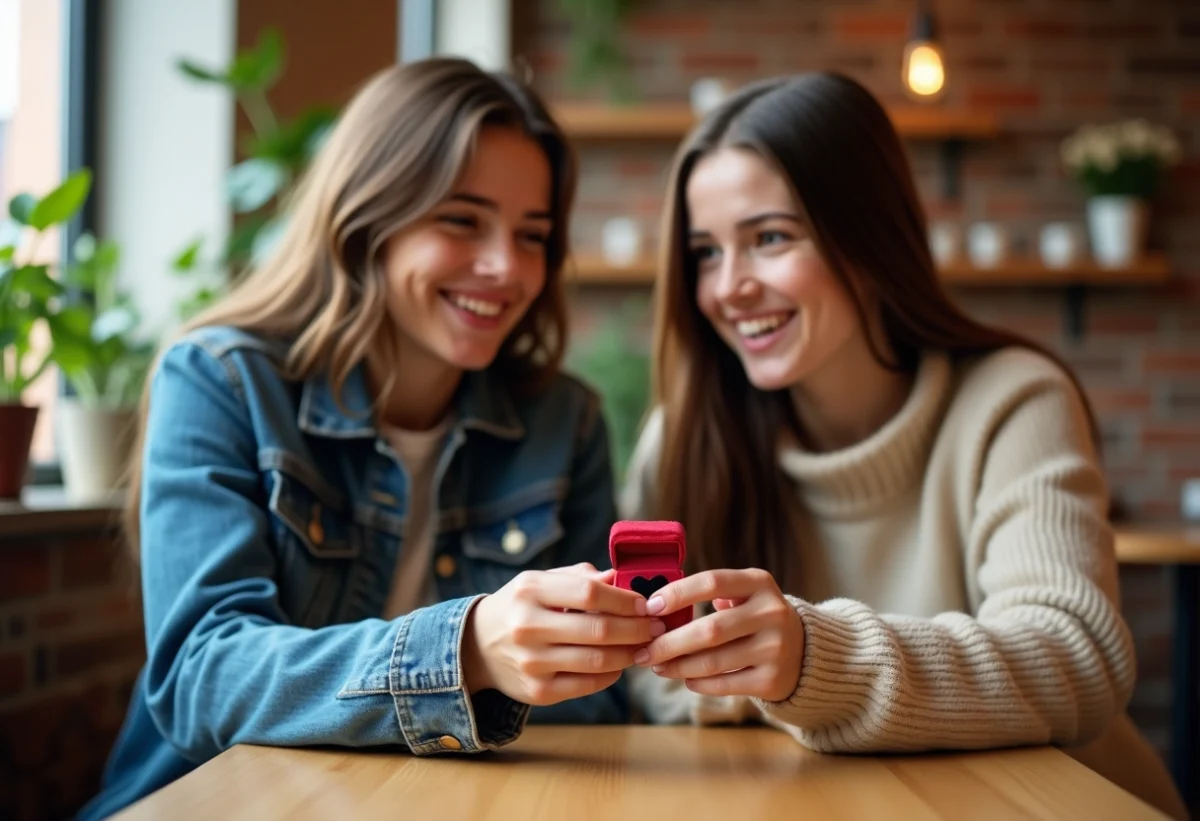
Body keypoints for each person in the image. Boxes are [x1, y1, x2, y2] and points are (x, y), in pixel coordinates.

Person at [78, 58, 660, 821]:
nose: (504, 266)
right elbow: (201, 675)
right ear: (367, 216)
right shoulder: (222, 380)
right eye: (461, 219)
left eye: (533, 236)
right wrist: (466, 651)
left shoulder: (564, 421)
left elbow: (590, 707)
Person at [619, 72, 1187, 820]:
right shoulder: (687, 432)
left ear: (869, 235)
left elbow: (1076, 656)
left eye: (769, 238)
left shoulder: (1012, 400)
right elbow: (649, 672)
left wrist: (810, 664)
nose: (730, 288)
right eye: (705, 253)